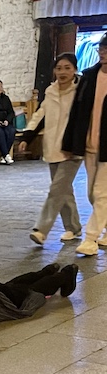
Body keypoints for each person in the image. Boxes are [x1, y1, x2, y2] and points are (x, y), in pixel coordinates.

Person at [20, 53, 83, 245]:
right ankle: (73, 227)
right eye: (59, 68)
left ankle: (41, 229)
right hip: (52, 148)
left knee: (56, 190)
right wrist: (27, 137)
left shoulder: (81, 91)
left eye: (67, 68)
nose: (62, 72)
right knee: (64, 190)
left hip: (72, 148)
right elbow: (40, 115)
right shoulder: (50, 91)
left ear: (74, 70)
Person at [64, 33, 107, 256]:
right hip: (90, 142)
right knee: (92, 193)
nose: (102, 52)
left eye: (106, 49)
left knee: (101, 192)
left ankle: (91, 239)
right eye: (101, 48)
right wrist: (71, 141)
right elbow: (77, 111)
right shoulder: (89, 76)